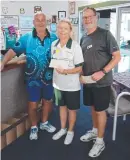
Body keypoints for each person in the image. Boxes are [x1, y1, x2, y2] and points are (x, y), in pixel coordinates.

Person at [1, 12, 57, 140]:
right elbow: (12, 51)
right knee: (32, 105)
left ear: (46, 22)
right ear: (34, 22)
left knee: (47, 102)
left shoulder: (54, 38)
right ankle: (33, 127)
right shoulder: (26, 38)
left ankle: (44, 123)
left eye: (43, 20)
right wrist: (3, 62)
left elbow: (62, 53)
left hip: (49, 78)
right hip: (32, 80)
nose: (40, 22)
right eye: (38, 20)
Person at [80, 7, 121, 157]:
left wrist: (102, 71)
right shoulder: (83, 37)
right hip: (88, 82)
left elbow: (117, 57)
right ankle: (95, 130)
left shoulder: (105, 34)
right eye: (85, 17)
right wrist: (82, 75)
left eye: (90, 16)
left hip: (102, 82)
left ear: (96, 17)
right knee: (92, 108)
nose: (87, 19)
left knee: (100, 110)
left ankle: (100, 141)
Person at [51, 19, 84, 145]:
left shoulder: (75, 46)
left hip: (71, 85)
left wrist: (65, 71)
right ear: (57, 29)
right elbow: (54, 60)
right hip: (58, 84)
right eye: (60, 28)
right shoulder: (54, 44)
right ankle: (62, 129)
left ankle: (70, 131)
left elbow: (79, 68)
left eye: (65, 28)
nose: (62, 31)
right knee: (62, 107)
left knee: (72, 110)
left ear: (70, 31)